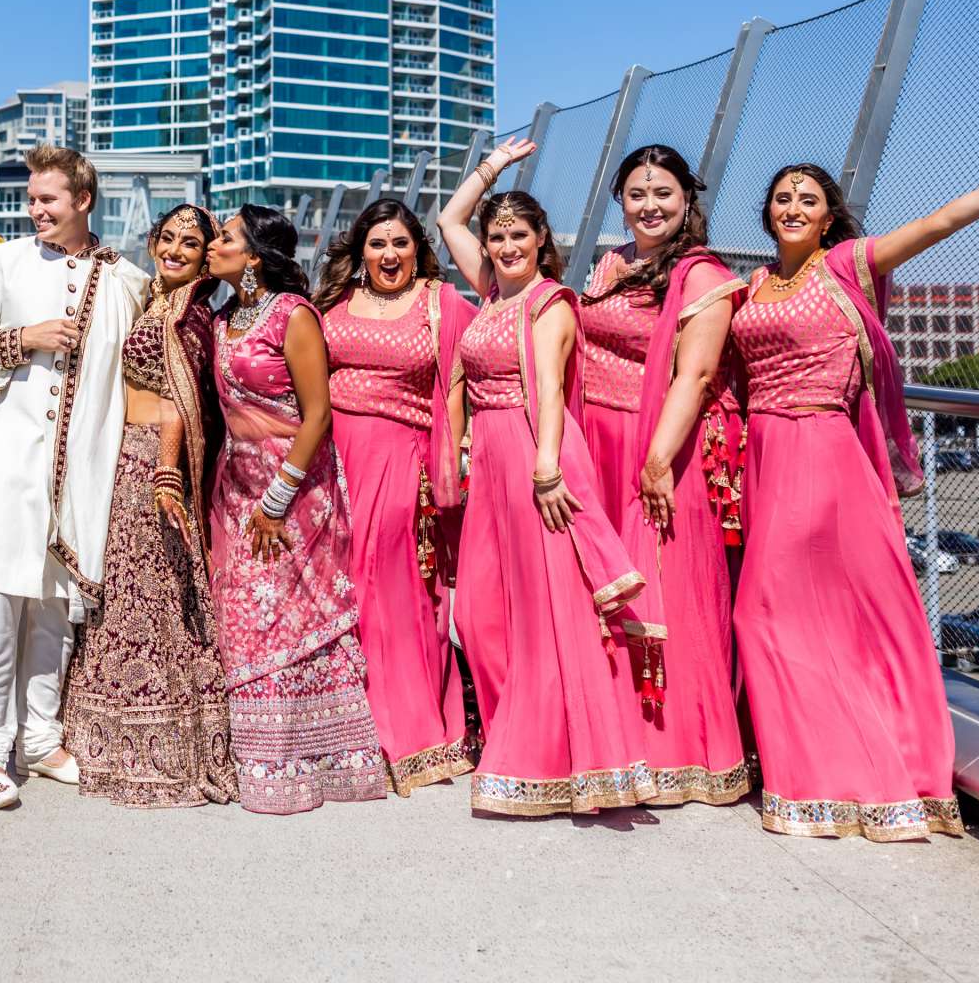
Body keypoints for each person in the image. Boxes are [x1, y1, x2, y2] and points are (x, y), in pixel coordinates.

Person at [730, 151, 979, 840]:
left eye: (808, 199)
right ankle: (806, 773)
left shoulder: (847, 268)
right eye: (783, 198)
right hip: (764, 456)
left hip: (821, 447)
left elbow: (933, 225)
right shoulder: (751, 284)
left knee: (766, 612)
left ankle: (848, 775)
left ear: (829, 216)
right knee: (788, 617)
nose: (793, 208)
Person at [438, 148, 659, 818]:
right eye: (497, 235)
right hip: (493, 466)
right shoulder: (491, 294)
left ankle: (551, 756)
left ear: (542, 244)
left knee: (546, 611)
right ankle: (522, 732)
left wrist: (546, 466)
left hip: (537, 458)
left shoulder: (548, 301)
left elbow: (552, 387)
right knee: (480, 614)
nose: (505, 245)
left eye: (518, 235)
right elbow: (450, 218)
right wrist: (491, 169)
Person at [0, 146, 148, 810]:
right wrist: (24, 336)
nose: (34, 210)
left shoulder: (124, 279)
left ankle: (41, 738)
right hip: (8, 462)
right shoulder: (5, 263)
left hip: (80, 472)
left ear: (82, 201)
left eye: (48, 200)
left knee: (55, 611)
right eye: (31, 199)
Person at [573, 144, 748, 807]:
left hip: (661, 451)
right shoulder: (613, 263)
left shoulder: (703, 276)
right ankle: (619, 741)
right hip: (599, 441)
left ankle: (683, 754)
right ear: (621, 199)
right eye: (638, 193)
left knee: (671, 595)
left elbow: (698, 376)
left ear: (687, 202)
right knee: (612, 593)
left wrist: (655, 462)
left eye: (664, 194)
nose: (649, 206)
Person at [203, 205, 386, 815]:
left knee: (292, 613)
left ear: (254, 256)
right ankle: (261, 759)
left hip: (293, 491)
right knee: (247, 616)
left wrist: (277, 502)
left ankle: (326, 758)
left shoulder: (293, 315)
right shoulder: (224, 317)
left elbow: (318, 415)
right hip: (235, 486)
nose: (212, 245)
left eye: (225, 238)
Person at [61, 203, 237, 808]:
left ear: (206, 255)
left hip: (151, 467)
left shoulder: (191, 316)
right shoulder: (152, 300)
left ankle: (160, 743)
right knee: (124, 594)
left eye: (192, 243)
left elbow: (176, 400)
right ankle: (108, 734)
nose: (177, 250)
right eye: (168, 238)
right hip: (121, 455)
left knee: (155, 597)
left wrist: (165, 470)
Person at [314, 198, 474, 796]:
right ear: (360, 250)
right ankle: (341, 728)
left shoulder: (443, 303)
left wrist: (451, 467)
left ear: (417, 249)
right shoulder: (330, 304)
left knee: (394, 587)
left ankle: (405, 733)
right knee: (338, 589)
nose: (389, 255)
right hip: (331, 460)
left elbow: (462, 390)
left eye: (400, 243)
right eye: (378, 243)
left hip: (403, 459)